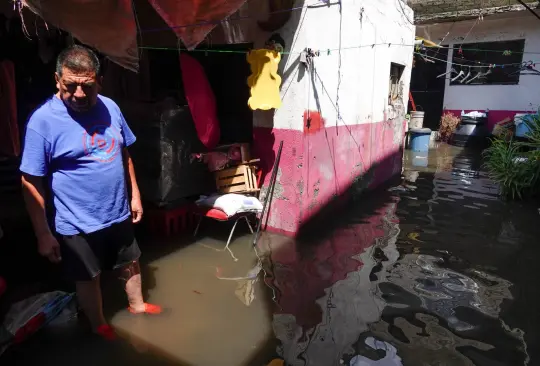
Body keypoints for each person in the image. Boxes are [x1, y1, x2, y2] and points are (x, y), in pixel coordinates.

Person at [20, 45, 161, 340]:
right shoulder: (42, 122)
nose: (80, 94)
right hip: (76, 222)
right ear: (57, 79)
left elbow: (125, 153)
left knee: (131, 260)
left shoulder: (110, 107)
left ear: (100, 80)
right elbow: (31, 181)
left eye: (88, 86)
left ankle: (137, 305)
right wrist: (43, 233)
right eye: (70, 86)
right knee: (88, 275)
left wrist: (134, 194)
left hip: (117, 211)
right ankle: (99, 324)